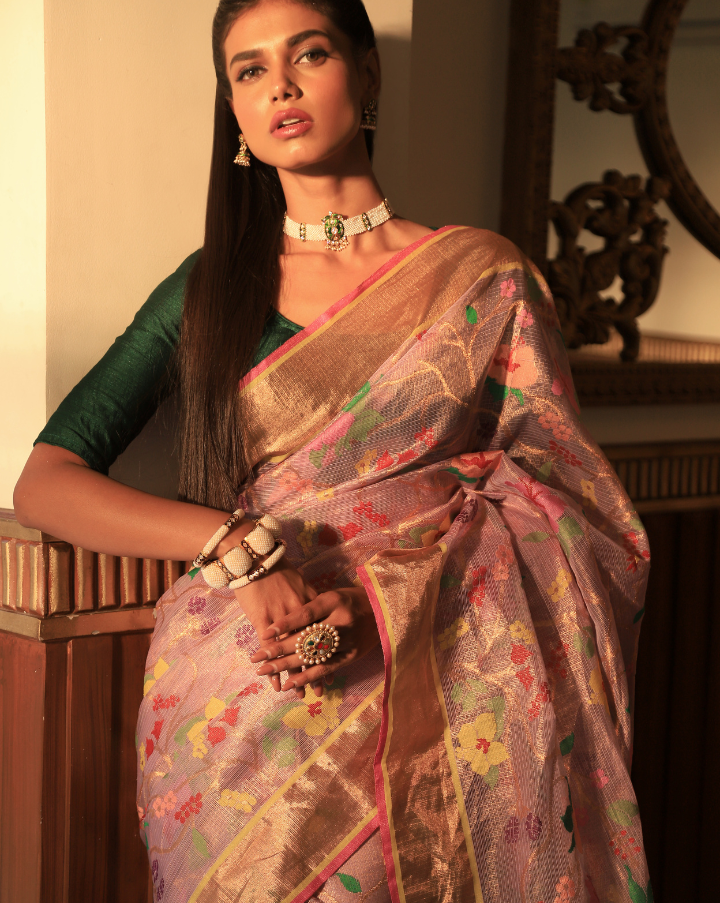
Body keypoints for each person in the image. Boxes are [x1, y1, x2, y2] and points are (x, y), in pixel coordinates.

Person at [13, 0, 653, 901]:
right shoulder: (210, 289)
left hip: (441, 681)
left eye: (308, 53)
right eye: (248, 70)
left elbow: (564, 497)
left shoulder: (484, 278)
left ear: (367, 73)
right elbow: (45, 483)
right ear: (233, 112)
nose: (280, 84)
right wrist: (235, 549)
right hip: (250, 688)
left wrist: (383, 597)